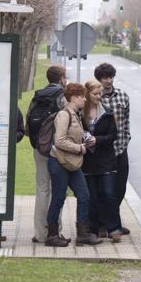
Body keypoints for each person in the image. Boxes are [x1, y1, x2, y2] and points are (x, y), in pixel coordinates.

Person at [45, 83, 102, 247]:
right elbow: (60, 140)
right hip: (59, 162)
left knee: (84, 195)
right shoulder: (64, 115)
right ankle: (52, 235)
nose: (85, 99)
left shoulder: (75, 114)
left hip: (73, 163)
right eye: (82, 96)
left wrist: (85, 137)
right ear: (74, 97)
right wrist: (80, 148)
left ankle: (83, 233)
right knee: (58, 198)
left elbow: (74, 134)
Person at [26, 65, 68, 244]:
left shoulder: (38, 95)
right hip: (57, 150)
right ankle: (54, 230)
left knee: (42, 189)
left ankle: (39, 233)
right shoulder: (62, 96)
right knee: (58, 190)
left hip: (39, 148)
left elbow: (29, 126)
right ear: (61, 79)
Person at [81, 79, 123, 243]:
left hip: (106, 160)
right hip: (88, 160)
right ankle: (92, 229)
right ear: (87, 94)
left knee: (109, 193)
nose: (99, 97)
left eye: (100, 94)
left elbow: (113, 135)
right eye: (95, 94)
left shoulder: (107, 112)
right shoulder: (80, 113)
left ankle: (114, 228)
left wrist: (97, 140)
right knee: (92, 196)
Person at [94, 63, 131, 237]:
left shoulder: (123, 96)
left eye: (110, 77)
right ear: (99, 79)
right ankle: (104, 224)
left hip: (121, 148)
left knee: (120, 187)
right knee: (104, 189)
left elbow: (126, 121)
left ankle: (112, 221)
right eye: (104, 78)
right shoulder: (96, 98)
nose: (108, 81)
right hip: (103, 151)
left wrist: (126, 139)